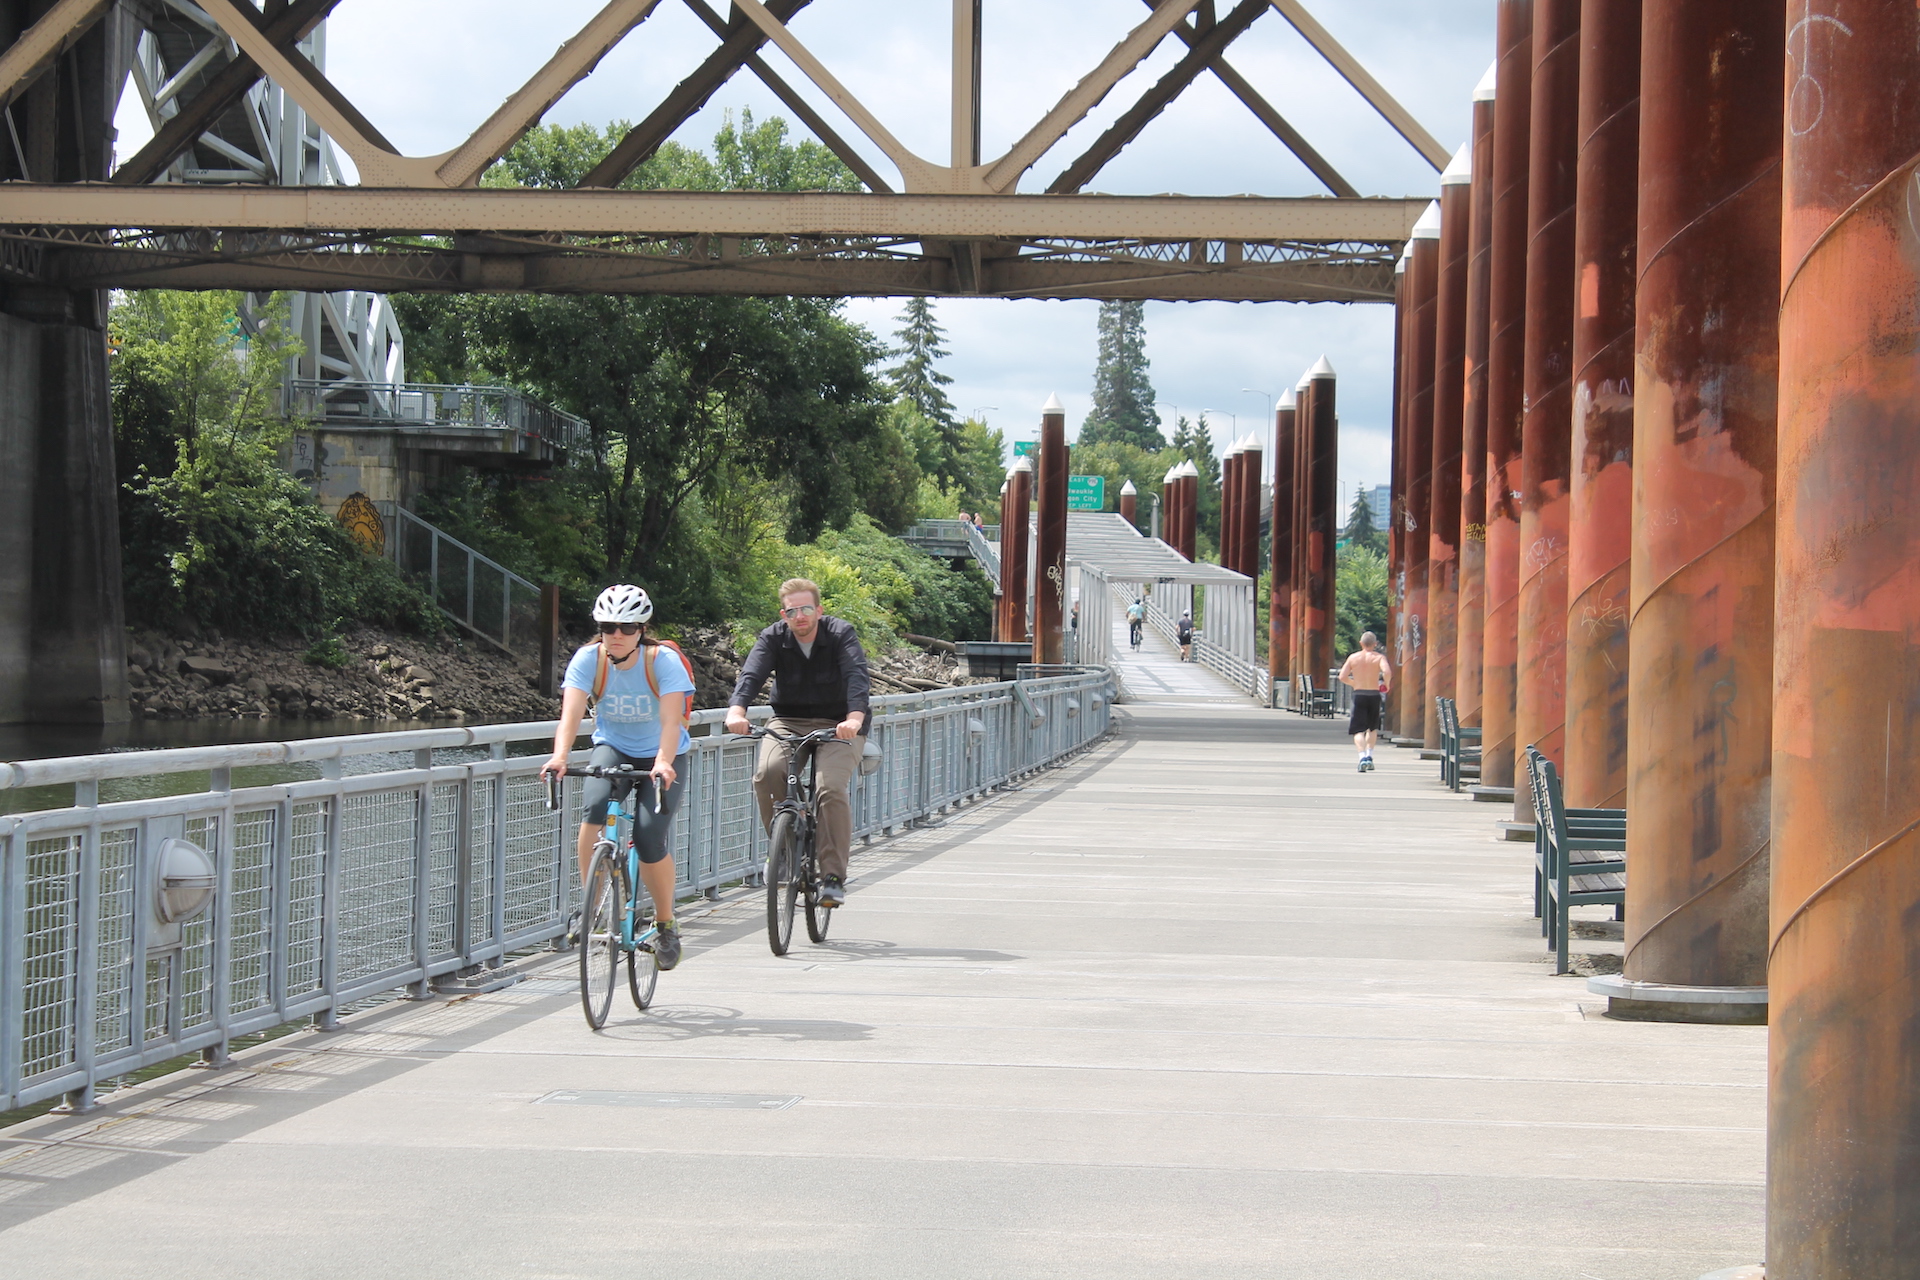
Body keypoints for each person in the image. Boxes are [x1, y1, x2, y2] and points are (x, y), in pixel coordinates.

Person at [543, 584, 694, 969]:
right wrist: (560, 757)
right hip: (614, 746)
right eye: (609, 626)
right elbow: (571, 714)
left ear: (641, 629)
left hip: (663, 752)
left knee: (647, 835)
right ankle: (589, 909)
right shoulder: (588, 660)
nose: (617, 635)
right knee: (593, 807)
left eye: (627, 627)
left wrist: (662, 761)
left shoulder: (662, 661)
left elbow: (670, 719)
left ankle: (665, 924)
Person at [724, 578, 871, 908]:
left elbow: (856, 677)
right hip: (789, 720)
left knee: (830, 787)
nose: (800, 616)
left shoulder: (840, 634)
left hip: (839, 725)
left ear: (818, 610)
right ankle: (785, 852)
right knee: (767, 772)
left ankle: (832, 876)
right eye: (792, 611)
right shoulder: (774, 637)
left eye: (806, 609)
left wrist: (854, 719)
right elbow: (751, 675)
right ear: (784, 614)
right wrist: (737, 710)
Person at [1337, 631, 1393, 772]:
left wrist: (1354, 683)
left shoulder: (1353, 657)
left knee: (1358, 729)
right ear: (1375, 644)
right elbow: (1387, 672)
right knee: (1372, 727)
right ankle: (1369, 756)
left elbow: (1342, 676)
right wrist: (1386, 684)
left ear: (1361, 643)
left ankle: (1361, 757)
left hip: (1359, 694)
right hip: (1374, 693)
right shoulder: (1379, 658)